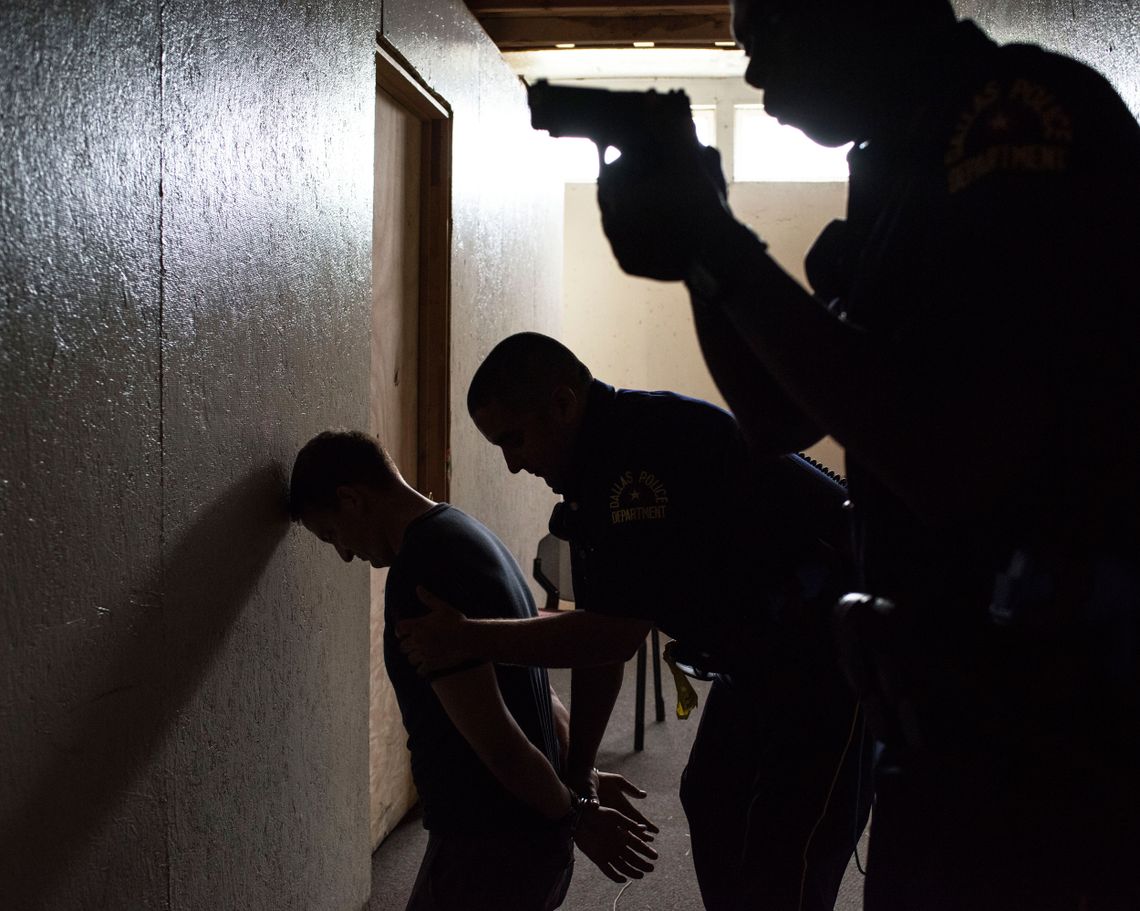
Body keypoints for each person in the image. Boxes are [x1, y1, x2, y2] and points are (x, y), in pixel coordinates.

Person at [593, 0, 1140, 907]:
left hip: (1064, 730)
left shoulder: (1012, 118)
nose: (759, 79)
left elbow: (949, 457)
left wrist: (722, 248)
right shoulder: (896, 158)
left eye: (768, 41)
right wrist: (698, 248)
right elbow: (779, 417)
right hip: (954, 721)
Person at [398, 333, 872, 910]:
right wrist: (577, 779)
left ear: (564, 403)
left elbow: (610, 635)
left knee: (786, 850)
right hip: (756, 655)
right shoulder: (592, 473)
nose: (513, 463)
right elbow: (603, 644)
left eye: (514, 439)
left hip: (832, 655)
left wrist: (467, 637)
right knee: (713, 800)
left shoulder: (646, 456)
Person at [288, 429, 654, 911]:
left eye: (332, 534)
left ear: (351, 499)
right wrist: (575, 780)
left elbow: (497, 741)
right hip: (532, 835)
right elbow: (537, 689)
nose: (345, 553)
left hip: (488, 847)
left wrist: (577, 816)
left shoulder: (420, 577)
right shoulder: (467, 532)